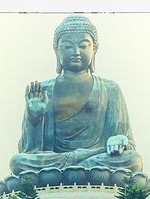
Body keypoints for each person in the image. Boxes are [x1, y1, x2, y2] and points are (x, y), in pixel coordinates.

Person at [10, 15, 143, 175]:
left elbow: (125, 140)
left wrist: (119, 140)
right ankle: (78, 169)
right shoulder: (42, 90)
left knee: (133, 160)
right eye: (67, 46)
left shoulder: (110, 88)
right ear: (56, 49)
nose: (76, 52)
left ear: (95, 48)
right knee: (18, 162)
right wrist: (34, 118)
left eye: (83, 46)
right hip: (56, 160)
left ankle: (75, 170)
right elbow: (29, 150)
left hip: (96, 157)